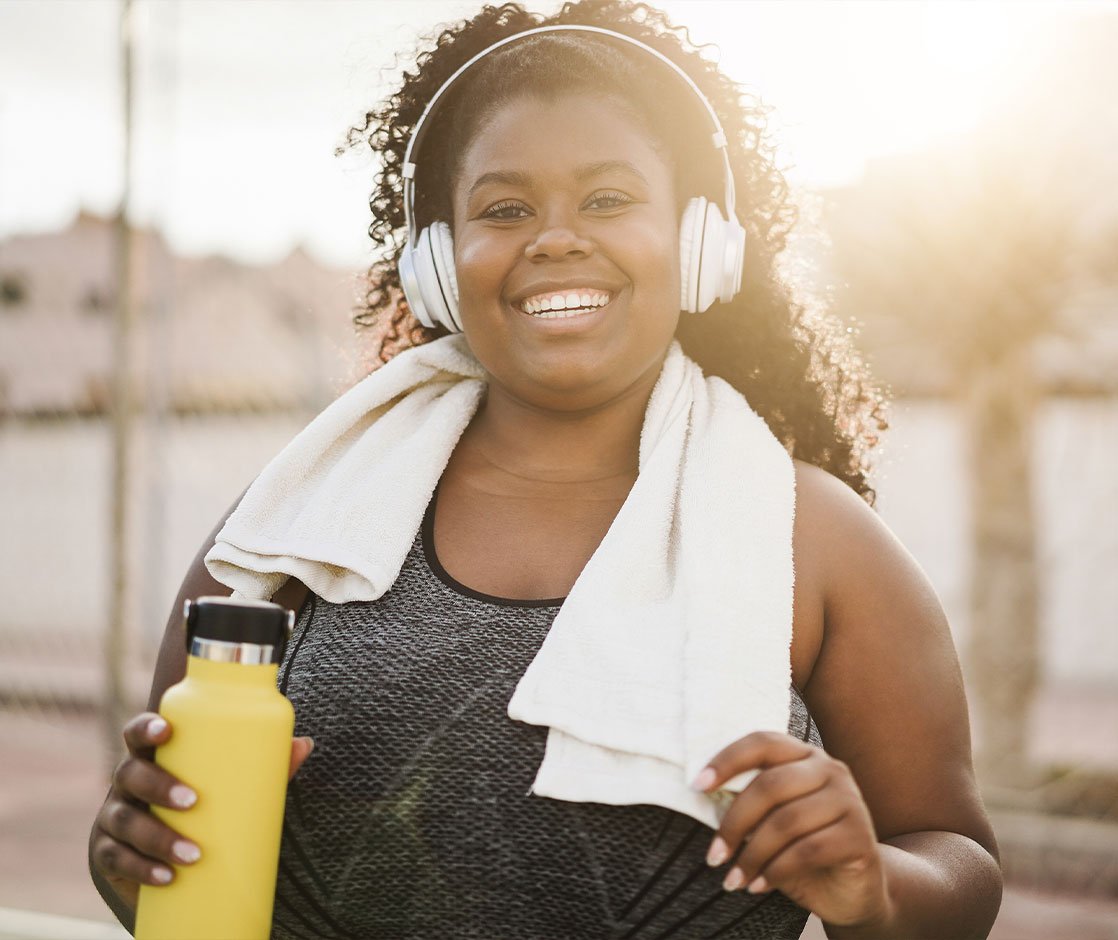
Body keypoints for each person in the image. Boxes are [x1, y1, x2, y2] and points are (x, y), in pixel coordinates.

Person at [89, 2, 1002, 937]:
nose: (555, 239)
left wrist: (874, 886)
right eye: (504, 208)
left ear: (700, 245)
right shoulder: (293, 524)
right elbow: (163, 854)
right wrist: (130, 854)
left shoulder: (817, 539)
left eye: (608, 199)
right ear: (439, 261)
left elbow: (955, 860)